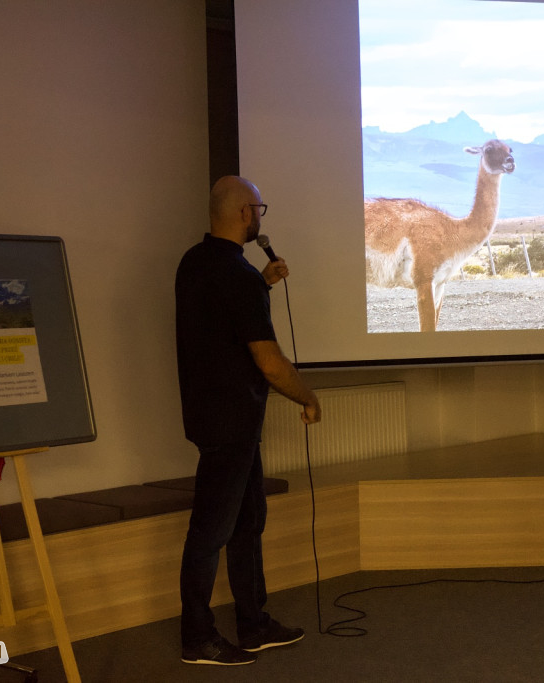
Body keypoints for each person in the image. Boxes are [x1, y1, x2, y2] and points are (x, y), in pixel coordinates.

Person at [174, 175, 322, 666]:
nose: (259, 215)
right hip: (231, 422)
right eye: (258, 207)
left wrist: (262, 283)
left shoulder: (195, 263)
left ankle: (254, 624)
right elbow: (270, 362)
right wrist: (309, 397)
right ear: (244, 215)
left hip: (213, 416)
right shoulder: (236, 277)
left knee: (246, 521)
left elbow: (219, 322)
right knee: (211, 530)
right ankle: (197, 637)